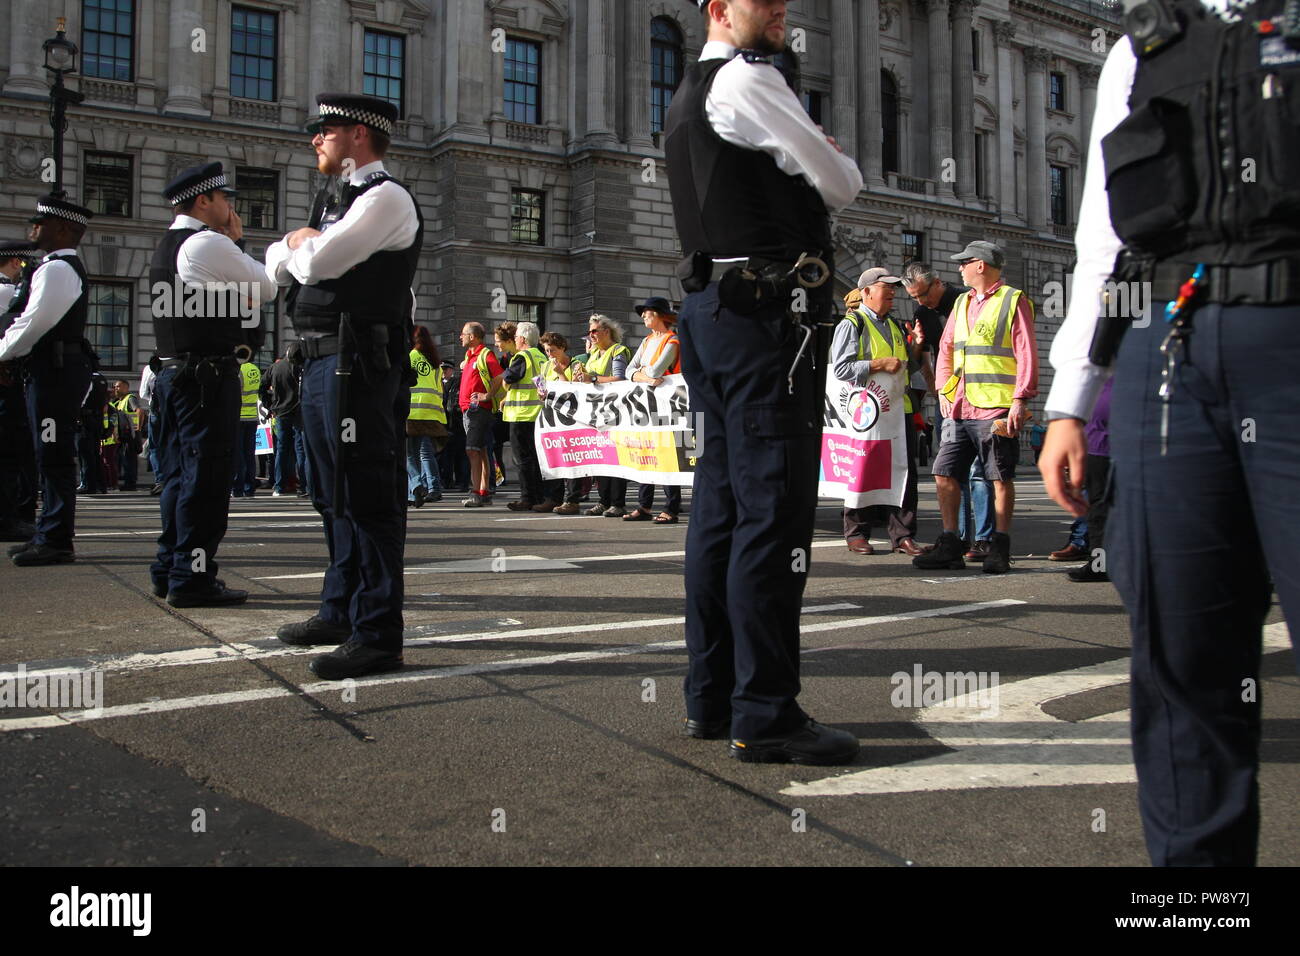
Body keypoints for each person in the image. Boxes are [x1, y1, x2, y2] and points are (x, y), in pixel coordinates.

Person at [1038, 0, 1300, 866]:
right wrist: (1072, 397)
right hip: (1168, 352)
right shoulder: (1143, 46)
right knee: (1182, 656)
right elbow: (1104, 237)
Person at [666, 0, 864, 764]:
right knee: (772, 514)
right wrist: (823, 153)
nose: (781, 8)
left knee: (718, 510)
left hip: (713, 313)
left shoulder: (688, 93)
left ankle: (712, 696)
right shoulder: (752, 81)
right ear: (719, 9)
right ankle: (768, 711)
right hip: (765, 324)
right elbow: (842, 183)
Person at [265, 92, 423, 679]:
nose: (315, 139)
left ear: (358, 135)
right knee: (330, 495)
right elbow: (271, 272)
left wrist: (297, 245)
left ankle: (378, 632)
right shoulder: (337, 201)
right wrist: (292, 246)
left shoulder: (385, 198)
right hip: (318, 362)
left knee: (367, 496)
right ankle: (341, 608)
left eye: (325, 130)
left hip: (356, 365)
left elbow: (319, 263)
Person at [148, 161, 271, 605]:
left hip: (175, 373)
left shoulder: (167, 244)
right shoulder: (206, 243)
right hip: (206, 378)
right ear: (204, 201)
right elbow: (266, 287)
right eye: (224, 199)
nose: (230, 207)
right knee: (206, 482)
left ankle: (171, 567)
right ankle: (193, 577)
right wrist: (237, 243)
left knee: (181, 478)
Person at [912, 241, 1038, 574]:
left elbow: (1026, 353)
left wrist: (1020, 400)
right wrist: (942, 389)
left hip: (996, 408)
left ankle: (998, 545)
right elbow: (947, 347)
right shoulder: (962, 303)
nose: (959, 268)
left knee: (998, 477)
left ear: (980, 265)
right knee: (944, 472)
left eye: (964, 262)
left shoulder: (1013, 300)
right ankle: (951, 543)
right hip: (959, 407)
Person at [1, 196, 97, 567]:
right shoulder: (53, 267)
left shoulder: (58, 269)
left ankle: (56, 538)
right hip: (49, 370)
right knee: (47, 453)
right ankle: (48, 532)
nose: (33, 229)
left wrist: (1, 353)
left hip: (55, 373)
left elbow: (33, 322)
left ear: (62, 229)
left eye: (41, 224)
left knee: (54, 454)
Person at [833, 268, 927, 556]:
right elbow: (841, 368)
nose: (891, 292)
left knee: (904, 473)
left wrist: (918, 348)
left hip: (900, 411)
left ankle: (903, 535)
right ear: (866, 292)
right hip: (867, 414)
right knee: (863, 470)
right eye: (885, 287)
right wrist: (877, 364)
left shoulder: (897, 325)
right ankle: (857, 533)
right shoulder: (852, 324)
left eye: (893, 288)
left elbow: (907, 368)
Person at [624, 296, 684, 524]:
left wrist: (643, 374)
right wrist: (644, 376)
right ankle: (645, 505)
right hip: (648, 403)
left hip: (669, 406)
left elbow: (657, 371)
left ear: (658, 314)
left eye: (647, 312)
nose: (643, 316)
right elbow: (632, 370)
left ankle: (671, 507)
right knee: (646, 452)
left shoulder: (672, 341)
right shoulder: (648, 341)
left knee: (668, 455)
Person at [0, 240, 42, 542]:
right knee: (11, 454)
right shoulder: (7, 293)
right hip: (8, 380)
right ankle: (9, 518)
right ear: (17, 263)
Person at [573, 313, 631, 517]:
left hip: (615, 412)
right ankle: (603, 500)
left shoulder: (618, 351)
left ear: (607, 331)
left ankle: (617, 502)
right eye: (589, 332)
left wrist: (593, 378)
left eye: (594, 331)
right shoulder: (595, 353)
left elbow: (620, 377)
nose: (591, 335)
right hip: (596, 413)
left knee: (616, 457)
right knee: (601, 458)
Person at [492, 321, 549, 512]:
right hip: (538, 413)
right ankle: (538, 496)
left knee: (522, 459)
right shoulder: (541, 356)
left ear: (522, 339)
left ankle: (527, 498)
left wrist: (506, 387)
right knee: (535, 458)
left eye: (516, 336)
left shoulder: (522, 356)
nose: (514, 340)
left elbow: (507, 379)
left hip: (521, 414)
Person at [535, 331, 584, 515]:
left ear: (562, 348)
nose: (550, 355)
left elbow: (575, 391)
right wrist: (541, 393)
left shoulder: (576, 364)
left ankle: (572, 500)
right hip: (552, 419)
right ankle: (553, 498)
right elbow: (542, 391)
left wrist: (561, 374)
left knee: (572, 459)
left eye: (553, 350)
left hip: (572, 420)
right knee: (554, 456)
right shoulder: (546, 366)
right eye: (547, 351)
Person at [457, 321, 503, 507]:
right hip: (471, 410)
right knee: (482, 450)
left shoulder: (484, 354)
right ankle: (483, 491)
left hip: (478, 411)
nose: (460, 336)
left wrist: (488, 395)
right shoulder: (470, 356)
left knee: (472, 450)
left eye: (463, 333)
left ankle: (476, 492)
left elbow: (500, 376)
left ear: (472, 336)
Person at [406, 324, 446, 506]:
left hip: (412, 411)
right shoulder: (435, 362)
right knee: (426, 453)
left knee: (408, 454)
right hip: (431, 411)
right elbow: (440, 389)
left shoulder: (410, 357)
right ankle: (434, 488)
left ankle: (415, 486)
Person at [260, 343, 305, 497]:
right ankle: (304, 486)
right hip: (298, 412)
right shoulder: (300, 367)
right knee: (300, 450)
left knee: (281, 450)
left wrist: (269, 405)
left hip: (280, 412)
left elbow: (261, 387)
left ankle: (279, 486)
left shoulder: (275, 368)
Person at [231, 357, 261, 497]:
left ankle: (238, 487)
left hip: (239, 416)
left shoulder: (239, 370)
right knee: (250, 454)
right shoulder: (255, 369)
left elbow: (235, 393)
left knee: (239, 454)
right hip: (253, 416)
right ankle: (250, 488)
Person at [111, 379, 143, 491]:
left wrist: (137, 428)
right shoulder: (117, 402)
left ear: (126, 388)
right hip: (123, 436)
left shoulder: (130, 398)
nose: (116, 388)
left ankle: (130, 484)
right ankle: (126, 482)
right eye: (115, 386)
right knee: (124, 460)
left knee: (129, 460)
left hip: (130, 435)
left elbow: (139, 411)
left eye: (118, 386)